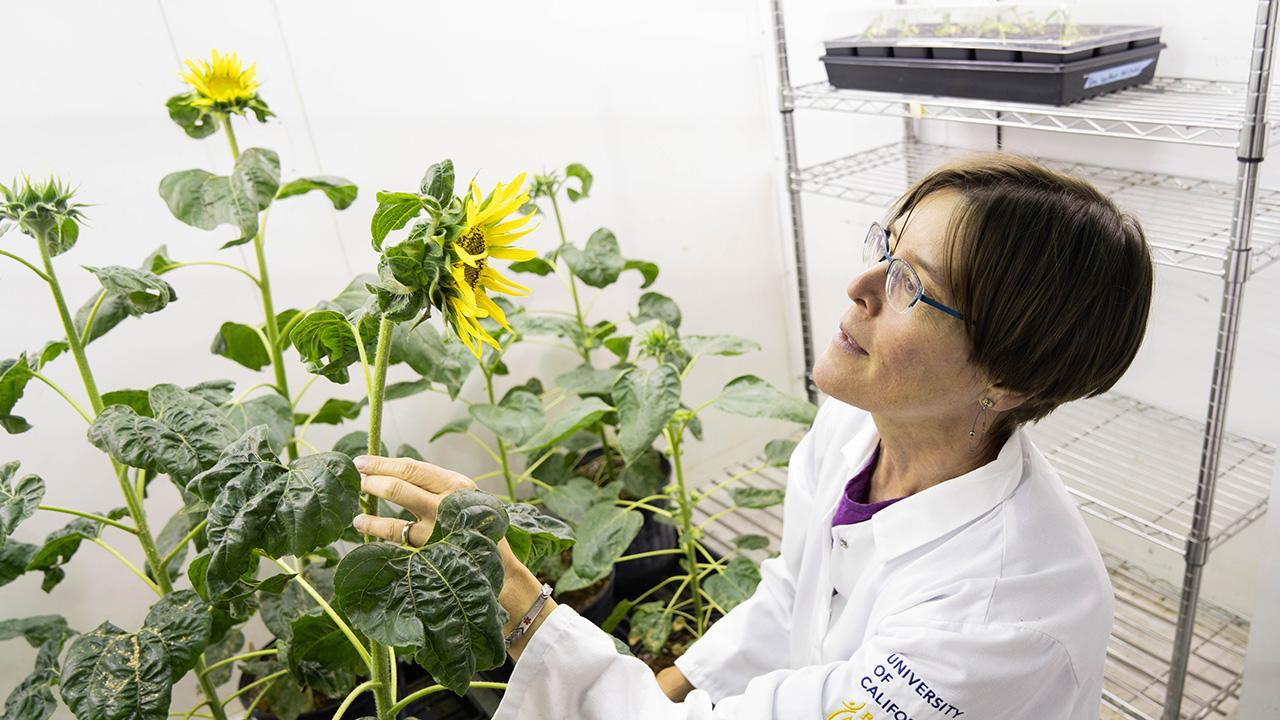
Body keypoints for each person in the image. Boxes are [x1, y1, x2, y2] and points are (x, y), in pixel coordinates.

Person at [352, 153, 1154, 719]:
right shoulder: (859, 427)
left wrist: (526, 609)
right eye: (886, 244)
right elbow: (790, 597)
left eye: (913, 284)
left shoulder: (997, 621)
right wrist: (672, 680)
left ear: (1009, 379)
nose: (860, 285)